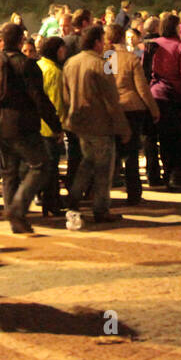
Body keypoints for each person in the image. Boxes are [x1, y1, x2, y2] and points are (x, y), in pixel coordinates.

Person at [0, 22, 61, 233]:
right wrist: (55, 125)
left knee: (9, 173)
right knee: (41, 165)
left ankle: (16, 220)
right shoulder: (27, 65)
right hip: (23, 125)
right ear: (21, 41)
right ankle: (18, 209)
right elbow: (39, 99)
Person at [62, 25, 129, 224]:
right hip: (99, 124)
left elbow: (65, 95)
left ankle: (73, 197)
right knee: (103, 168)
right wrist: (122, 126)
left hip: (78, 122)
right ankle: (101, 208)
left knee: (87, 162)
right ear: (97, 42)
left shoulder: (71, 63)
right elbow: (112, 99)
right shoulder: (101, 64)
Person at [106, 23, 157, 206]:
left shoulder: (107, 57)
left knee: (114, 152)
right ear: (122, 37)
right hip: (133, 108)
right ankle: (134, 193)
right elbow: (142, 88)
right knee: (132, 153)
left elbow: (106, 83)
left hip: (113, 108)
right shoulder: (131, 58)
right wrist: (153, 109)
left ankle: (107, 192)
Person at [147, 13, 181, 191]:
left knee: (163, 138)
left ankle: (165, 173)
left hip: (156, 93)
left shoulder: (153, 46)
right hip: (175, 95)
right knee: (178, 138)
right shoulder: (180, 46)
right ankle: (176, 175)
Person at [37, 36, 69, 216]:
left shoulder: (39, 66)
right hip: (49, 128)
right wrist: (59, 128)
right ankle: (52, 203)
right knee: (51, 169)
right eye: (63, 49)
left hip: (36, 126)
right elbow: (56, 103)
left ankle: (46, 202)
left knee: (43, 168)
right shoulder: (54, 72)